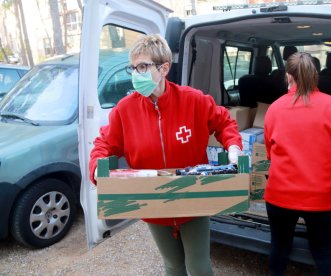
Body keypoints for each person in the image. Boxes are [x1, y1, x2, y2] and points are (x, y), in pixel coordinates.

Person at [88, 34, 242, 276]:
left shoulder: (193, 100)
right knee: (173, 266)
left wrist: (233, 147)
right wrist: (97, 165)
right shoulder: (124, 110)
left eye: (143, 66)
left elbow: (224, 122)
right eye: (133, 68)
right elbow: (104, 143)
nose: (136, 73)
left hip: (194, 199)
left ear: (164, 68)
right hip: (153, 204)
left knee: (199, 267)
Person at [263, 52, 331, 276]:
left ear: (288, 77)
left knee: (279, 246)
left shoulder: (274, 109)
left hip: (281, 195)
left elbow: (270, 153)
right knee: (322, 251)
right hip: (322, 197)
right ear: (315, 76)